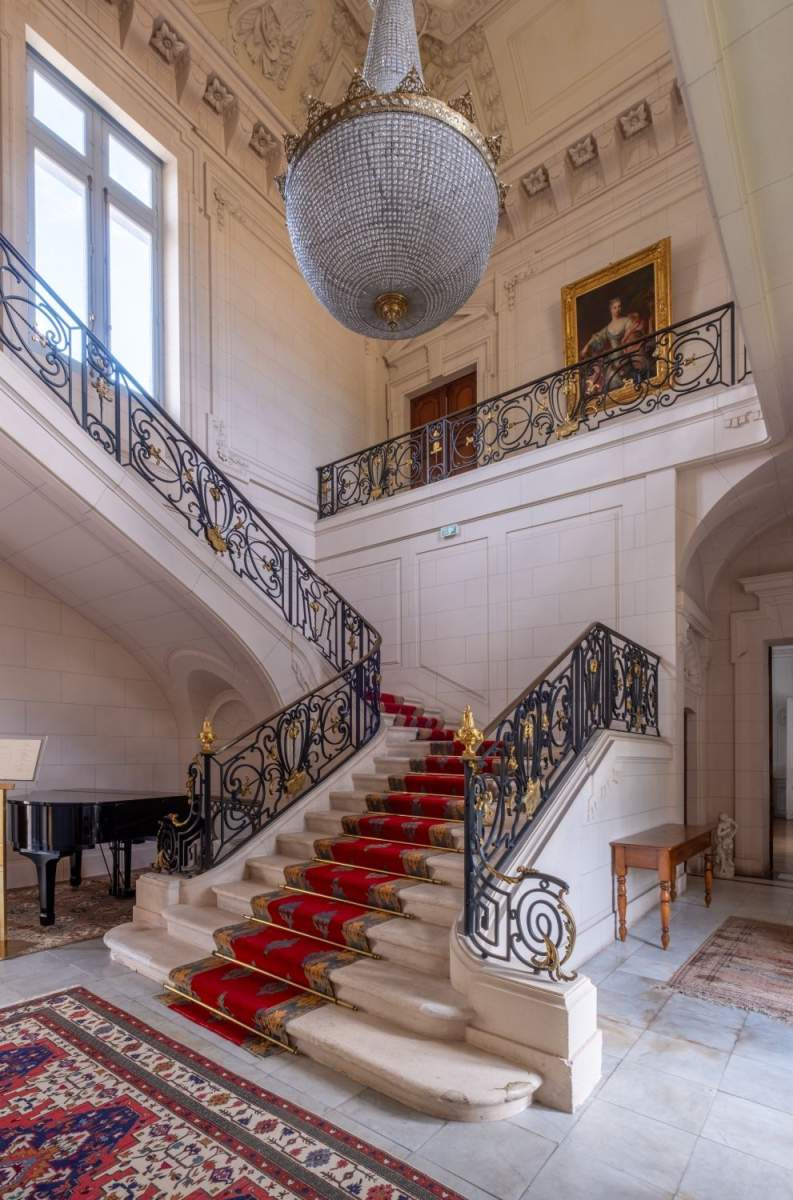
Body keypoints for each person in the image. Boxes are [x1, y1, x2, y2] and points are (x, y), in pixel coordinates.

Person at [580, 295, 651, 396]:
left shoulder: (626, 320)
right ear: (610, 310)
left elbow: (631, 335)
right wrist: (586, 347)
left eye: (619, 306)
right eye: (615, 307)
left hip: (625, 355)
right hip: (613, 360)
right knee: (610, 378)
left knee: (624, 377)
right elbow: (597, 337)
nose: (618, 309)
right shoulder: (608, 327)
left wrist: (627, 336)